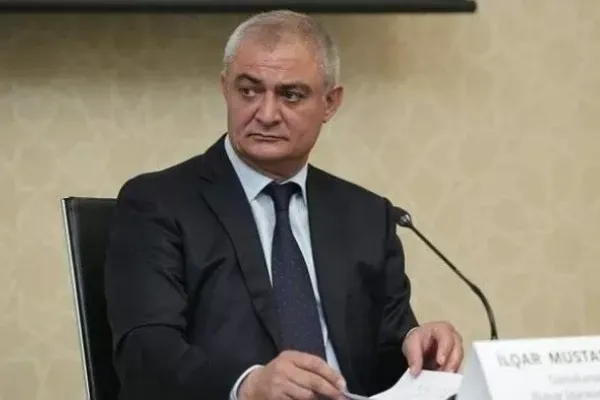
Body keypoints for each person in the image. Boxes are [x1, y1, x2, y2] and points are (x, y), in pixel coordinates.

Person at [104, 10, 463, 400]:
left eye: (290, 95)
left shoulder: (367, 215)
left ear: (330, 103)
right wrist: (247, 386)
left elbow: (387, 347)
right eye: (249, 91)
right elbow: (145, 353)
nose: (266, 114)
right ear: (225, 88)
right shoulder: (158, 204)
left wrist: (417, 346)